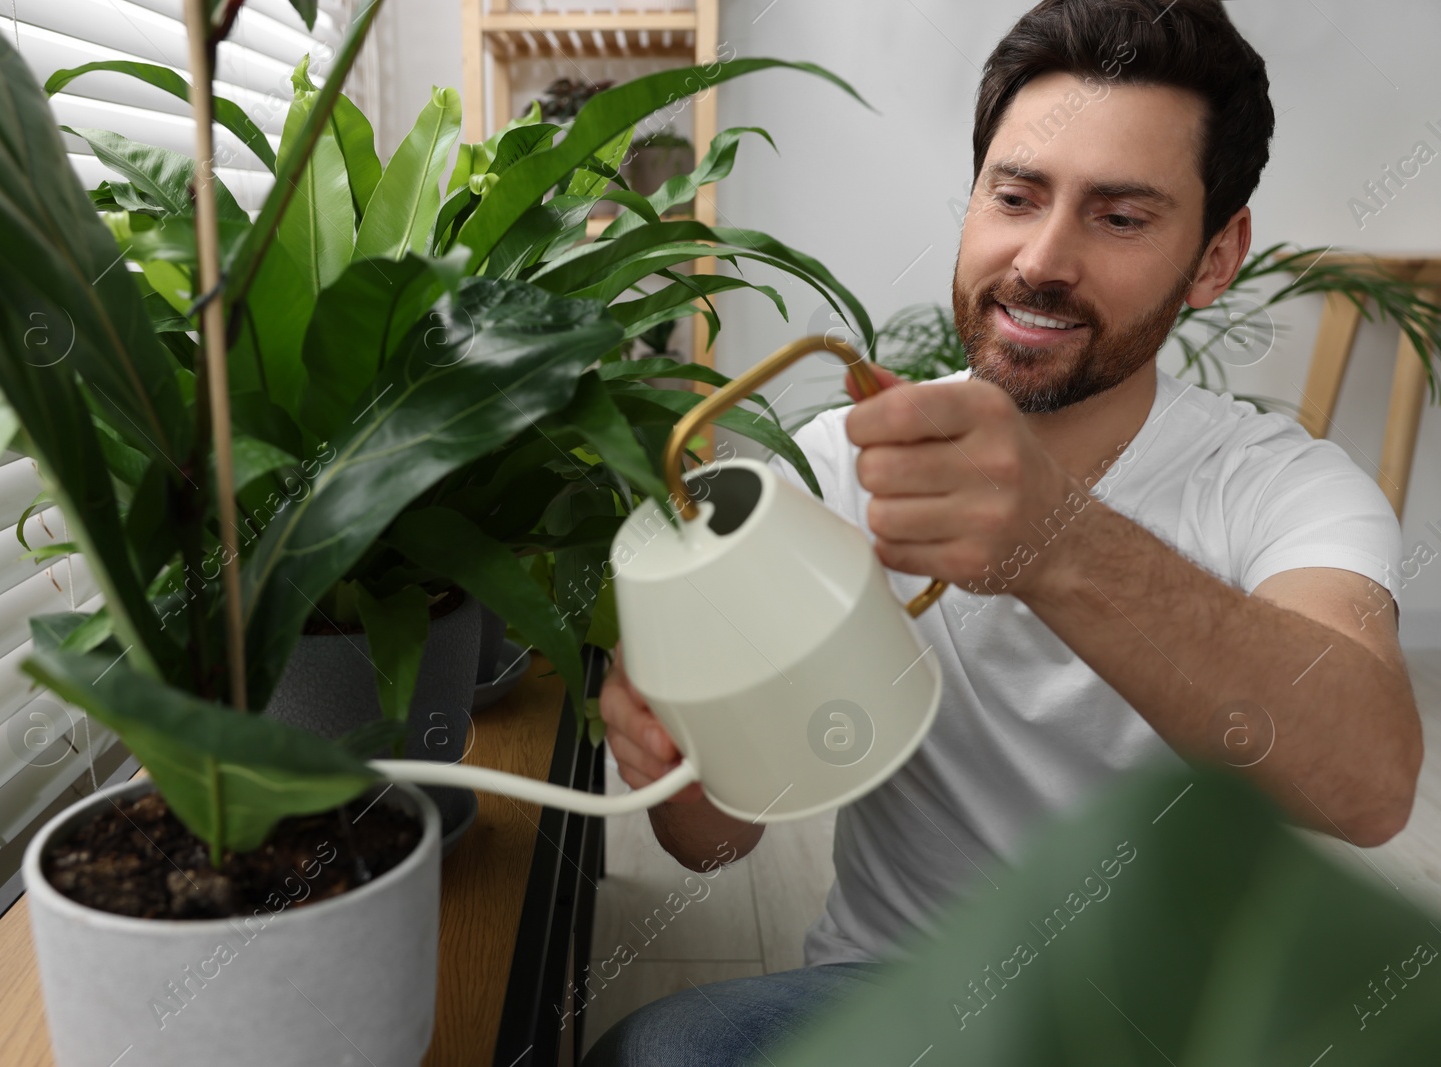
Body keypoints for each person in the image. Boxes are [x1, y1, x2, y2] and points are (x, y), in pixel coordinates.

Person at [582, 0, 1425, 1064]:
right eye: (1015, 196)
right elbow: (716, 843)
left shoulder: (1284, 487)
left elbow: (1367, 781)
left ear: (1215, 258)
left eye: (1119, 217)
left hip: (1164, 1025)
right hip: (894, 994)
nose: (1039, 258)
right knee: (660, 1050)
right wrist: (679, 753)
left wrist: (1054, 540)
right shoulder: (836, 461)